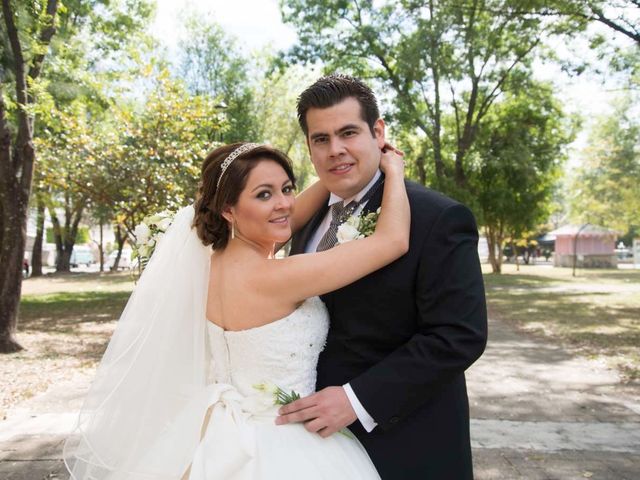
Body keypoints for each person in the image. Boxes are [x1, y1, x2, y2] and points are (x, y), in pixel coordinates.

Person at [63, 141, 408, 479]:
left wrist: (326, 176)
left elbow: (282, 217)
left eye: (287, 188)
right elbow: (391, 241)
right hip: (283, 443)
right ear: (228, 210)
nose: (284, 204)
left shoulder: (210, 264)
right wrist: (393, 170)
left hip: (217, 436)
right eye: (264, 194)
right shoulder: (278, 278)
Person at [280, 74, 488, 479]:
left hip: (404, 444)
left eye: (348, 133)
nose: (335, 150)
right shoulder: (304, 220)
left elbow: (458, 335)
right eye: (320, 139)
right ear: (308, 147)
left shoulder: (438, 218)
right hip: (313, 448)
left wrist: (357, 401)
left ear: (378, 132)